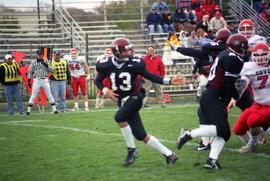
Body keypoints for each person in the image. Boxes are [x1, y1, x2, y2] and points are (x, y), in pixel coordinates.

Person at [95, 37, 186, 167]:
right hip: (122, 100)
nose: (129, 52)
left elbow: (150, 76)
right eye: (125, 51)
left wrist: (170, 81)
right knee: (140, 134)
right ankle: (169, 155)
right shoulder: (106, 63)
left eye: (129, 49)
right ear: (117, 52)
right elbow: (97, 81)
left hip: (135, 96)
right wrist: (105, 90)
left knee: (119, 117)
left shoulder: (136, 62)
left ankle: (132, 150)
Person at [175, 34, 249, 170]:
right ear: (237, 47)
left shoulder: (225, 53)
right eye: (243, 47)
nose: (245, 50)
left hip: (213, 95)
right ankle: (188, 134)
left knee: (224, 133)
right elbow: (229, 84)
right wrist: (236, 96)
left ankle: (212, 161)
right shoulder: (232, 58)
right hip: (214, 96)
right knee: (223, 131)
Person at [229, 42, 270, 153]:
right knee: (238, 128)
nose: (260, 58)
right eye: (257, 55)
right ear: (252, 55)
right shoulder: (249, 67)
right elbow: (244, 81)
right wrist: (235, 96)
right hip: (258, 104)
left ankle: (252, 144)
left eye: (263, 54)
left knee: (253, 120)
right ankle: (254, 140)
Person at [26, 50, 58, 115]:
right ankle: (28, 111)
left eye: (41, 54)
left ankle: (54, 110)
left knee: (49, 95)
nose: (40, 56)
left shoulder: (46, 61)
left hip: (44, 79)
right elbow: (30, 71)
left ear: (42, 55)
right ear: (37, 55)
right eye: (39, 55)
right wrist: (29, 80)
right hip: (37, 79)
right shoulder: (33, 62)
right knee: (33, 95)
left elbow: (52, 71)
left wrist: (46, 65)